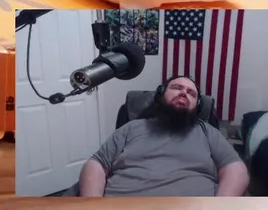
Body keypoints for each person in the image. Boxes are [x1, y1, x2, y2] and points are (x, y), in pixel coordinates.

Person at [79, 75, 249, 197]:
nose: (184, 93)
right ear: (160, 94)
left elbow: (236, 169)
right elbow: (97, 164)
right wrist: (92, 206)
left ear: (197, 106)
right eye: (177, 88)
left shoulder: (207, 131)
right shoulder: (132, 127)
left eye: (191, 93)